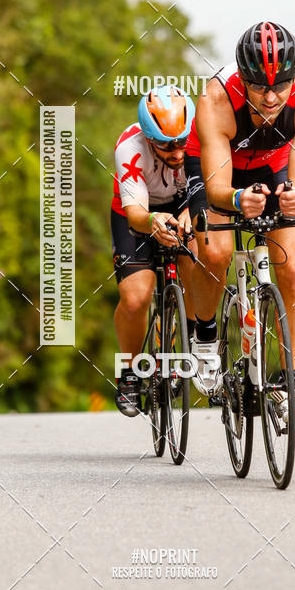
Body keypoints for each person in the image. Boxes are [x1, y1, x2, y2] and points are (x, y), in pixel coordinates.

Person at [184, 21, 295, 428]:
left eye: (281, 86)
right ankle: (207, 336)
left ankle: (289, 384)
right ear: (242, 78)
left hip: (274, 168)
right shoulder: (216, 99)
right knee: (215, 252)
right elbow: (216, 188)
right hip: (217, 170)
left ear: (294, 77)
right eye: (259, 87)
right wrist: (235, 200)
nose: (270, 97)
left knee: (294, 268)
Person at [111, 86, 197, 416]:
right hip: (137, 211)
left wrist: (191, 212)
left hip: (183, 205)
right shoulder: (129, 148)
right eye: (166, 144)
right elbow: (135, 215)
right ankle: (130, 373)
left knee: (199, 259)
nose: (177, 152)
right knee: (135, 298)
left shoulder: (197, 138)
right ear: (148, 138)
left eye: (181, 141)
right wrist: (154, 222)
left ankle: (190, 341)